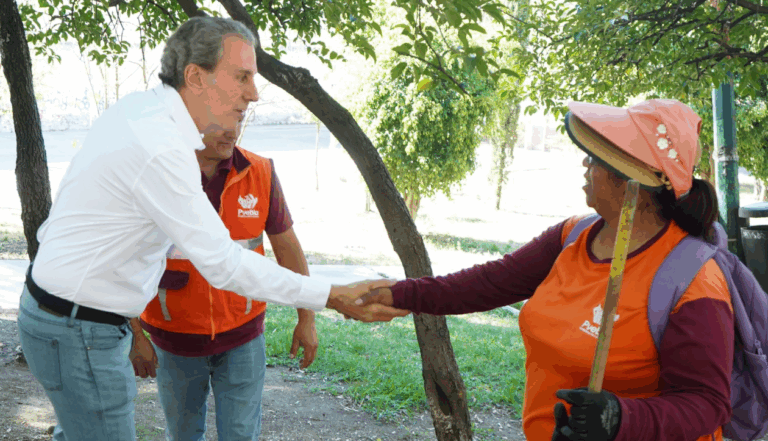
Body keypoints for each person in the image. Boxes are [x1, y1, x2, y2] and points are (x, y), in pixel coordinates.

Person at [17, 16, 406, 441]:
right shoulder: (161, 145)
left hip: (68, 318)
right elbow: (222, 263)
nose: (253, 94)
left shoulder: (143, 111)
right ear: (195, 77)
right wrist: (331, 294)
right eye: (241, 77)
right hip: (79, 329)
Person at [356, 100, 734, 441]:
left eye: (597, 157)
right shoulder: (574, 234)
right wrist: (400, 293)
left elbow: (707, 403)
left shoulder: (693, 279)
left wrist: (620, 419)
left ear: (630, 178)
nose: (586, 163)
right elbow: (490, 282)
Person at [129, 124, 318, 441]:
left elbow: (288, 250)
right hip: (173, 343)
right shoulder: (153, 176)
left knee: (241, 435)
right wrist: (135, 335)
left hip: (243, 338)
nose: (234, 129)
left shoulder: (260, 172)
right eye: (222, 119)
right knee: (183, 435)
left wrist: (307, 317)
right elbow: (125, 261)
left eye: (239, 117)